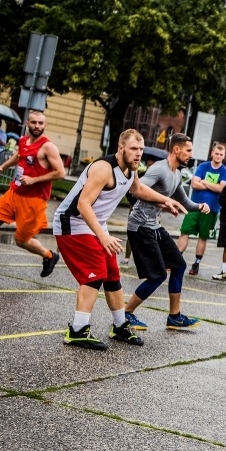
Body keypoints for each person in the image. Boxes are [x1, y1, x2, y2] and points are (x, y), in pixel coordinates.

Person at [53, 129, 186, 350]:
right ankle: (77, 330)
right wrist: (102, 235)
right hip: (73, 223)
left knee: (112, 274)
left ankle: (119, 325)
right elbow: (83, 204)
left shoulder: (131, 169)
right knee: (94, 273)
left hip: (94, 224)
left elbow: (138, 189)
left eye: (141, 150)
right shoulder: (104, 169)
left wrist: (165, 200)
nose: (138, 154)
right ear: (120, 148)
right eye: (134, 149)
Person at [123, 133, 210, 331]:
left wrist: (200, 206)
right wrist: (164, 202)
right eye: (188, 151)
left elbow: (185, 202)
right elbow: (135, 190)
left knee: (179, 266)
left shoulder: (177, 174)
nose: (190, 155)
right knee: (158, 276)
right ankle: (126, 313)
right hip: (140, 226)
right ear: (176, 150)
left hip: (154, 225)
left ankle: (175, 317)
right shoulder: (159, 169)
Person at [0, 111, 64, 276]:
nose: (37, 126)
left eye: (40, 123)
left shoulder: (47, 147)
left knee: (21, 241)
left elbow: (60, 173)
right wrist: (2, 167)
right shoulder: (23, 140)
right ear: (28, 123)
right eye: (34, 123)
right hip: (14, 193)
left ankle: (49, 256)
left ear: (45, 125)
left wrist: (34, 180)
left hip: (33, 200)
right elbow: (19, 155)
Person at [177, 143, 226, 275]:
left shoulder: (225, 171)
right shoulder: (203, 166)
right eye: (216, 153)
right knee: (185, 231)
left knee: (203, 237)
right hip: (194, 205)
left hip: (211, 209)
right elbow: (194, 184)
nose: (218, 156)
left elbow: (221, 188)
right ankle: (176, 259)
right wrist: (213, 185)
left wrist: (204, 182)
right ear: (212, 153)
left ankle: (196, 263)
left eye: (221, 155)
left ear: (224, 156)